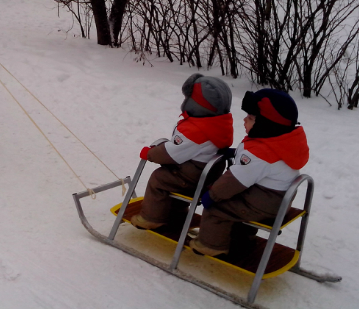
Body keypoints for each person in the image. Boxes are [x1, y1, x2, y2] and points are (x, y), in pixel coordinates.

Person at [189, 89, 309, 257]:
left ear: (266, 125)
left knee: (218, 208)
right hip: (274, 199)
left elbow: (233, 181)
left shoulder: (260, 153)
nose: (245, 119)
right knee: (237, 204)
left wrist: (212, 195)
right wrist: (236, 153)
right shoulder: (281, 141)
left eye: (251, 118)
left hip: (262, 204)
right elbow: (260, 166)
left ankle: (211, 245)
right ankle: (241, 240)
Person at [130, 73, 234, 230]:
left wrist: (150, 154)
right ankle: (176, 212)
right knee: (174, 177)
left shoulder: (195, 131)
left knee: (160, 179)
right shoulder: (218, 124)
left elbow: (170, 153)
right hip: (207, 175)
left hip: (192, 177)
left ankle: (151, 218)